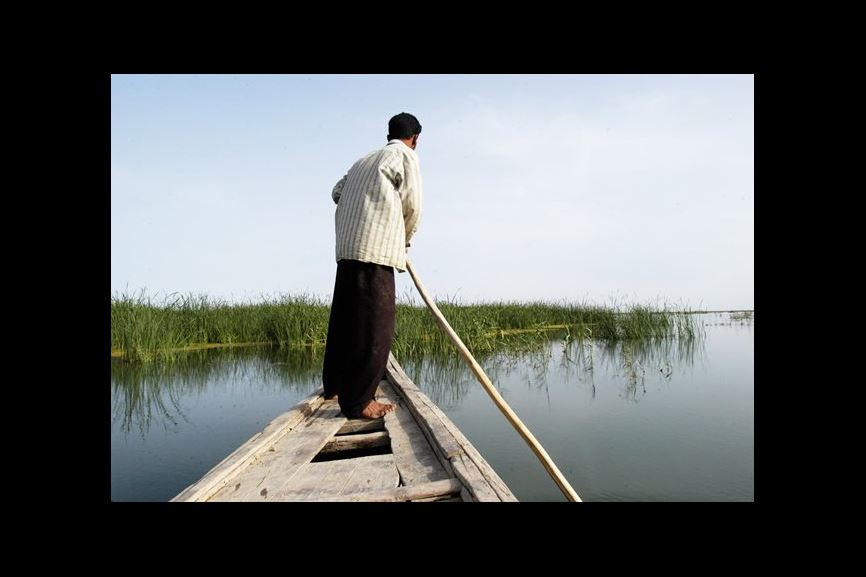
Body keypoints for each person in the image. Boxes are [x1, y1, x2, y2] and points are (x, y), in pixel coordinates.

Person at [322, 112, 423, 419]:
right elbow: (413, 206)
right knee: (374, 327)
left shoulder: (363, 160)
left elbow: (337, 192)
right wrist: (403, 243)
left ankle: (335, 385)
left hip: (348, 247)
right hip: (376, 249)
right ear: (415, 139)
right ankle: (359, 401)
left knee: (345, 319)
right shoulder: (404, 155)